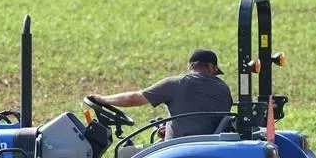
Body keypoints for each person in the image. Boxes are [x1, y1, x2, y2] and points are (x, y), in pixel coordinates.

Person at [90, 49, 233, 140]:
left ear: (190, 67)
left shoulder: (177, 83)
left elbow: (134, 98)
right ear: (211, 67)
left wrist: (103, 99)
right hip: (206, 142)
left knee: (126, 154)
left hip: (181, 146)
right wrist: (169, 127)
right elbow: (202, 118)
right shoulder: (224, 88)